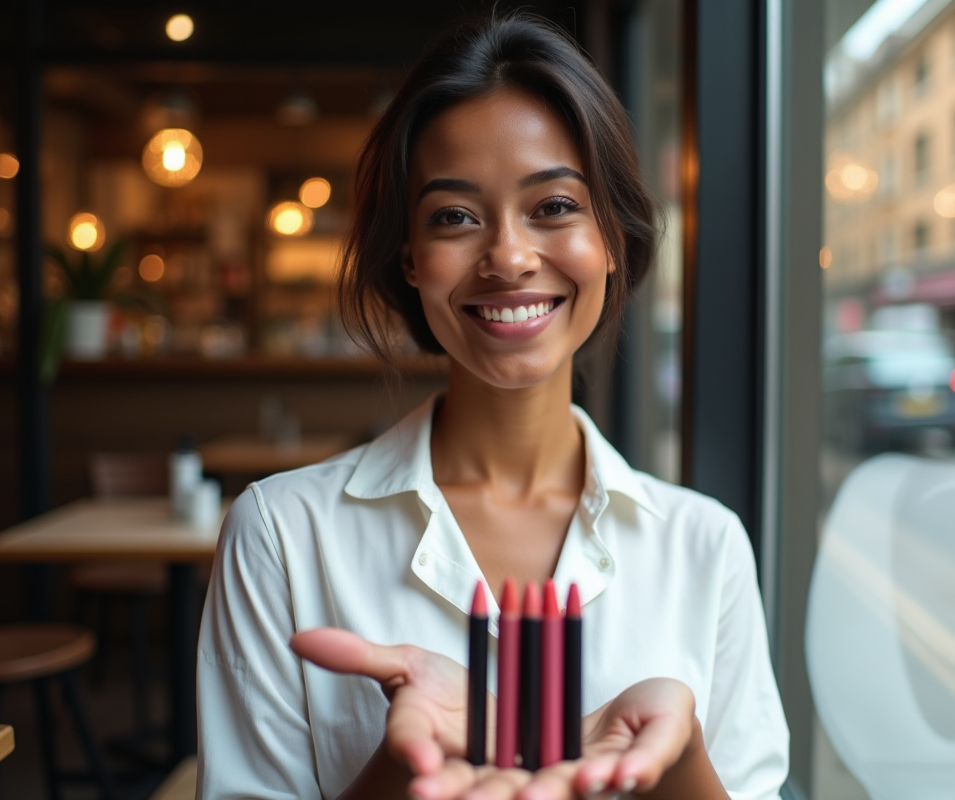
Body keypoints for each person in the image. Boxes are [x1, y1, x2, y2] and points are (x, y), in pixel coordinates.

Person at [196, 14, 788, 800]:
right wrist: (403, 770)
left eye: (554, 207)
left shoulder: (705, 547)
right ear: (409, 257)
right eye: (455, 217)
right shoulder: (279, 534)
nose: (508, 256)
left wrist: (680, 770)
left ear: (611, 238)